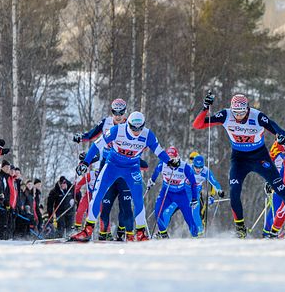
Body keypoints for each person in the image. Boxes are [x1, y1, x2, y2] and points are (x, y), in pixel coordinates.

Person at [192, 93, 285, 238]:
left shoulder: (256, 116)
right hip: (239, 159)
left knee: (281, 189)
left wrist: (282, 135)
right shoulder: (226, 115)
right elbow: (197, 125)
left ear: (247, 109)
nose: (239, 116)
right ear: (232, 110)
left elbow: (277, 128)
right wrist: (205, 107)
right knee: (234, 192)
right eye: (236, 113)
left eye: (242, 112)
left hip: (260, 157)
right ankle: (240, 228)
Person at [70, 111, 175, 242]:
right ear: (128, 124)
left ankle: (141, 232)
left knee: (138, 199)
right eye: (133, 128)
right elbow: (97, 145)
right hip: (112, 166)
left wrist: (169, 161)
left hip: (132, 169)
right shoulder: (117, 130)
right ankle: (88, 229)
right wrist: (86, 162)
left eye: (139, 128)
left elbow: (158, 150)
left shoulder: (147, 134)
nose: (136, 132)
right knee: (97, 194)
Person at [73, 98, 134, 240]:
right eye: (115, 112)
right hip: (106, 162)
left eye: (121, 112)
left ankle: (123, 232)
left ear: (125, 112)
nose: (118, 116)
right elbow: (91, 135)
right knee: (98, 195)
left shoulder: (131, 125)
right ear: (111, 112)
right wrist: (81, 137)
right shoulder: (105, 122)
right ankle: (93, 230)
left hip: (123, 164)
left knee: (124, 202)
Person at [148, 146, 199, 238]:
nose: (171, 161)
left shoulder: (184, 166)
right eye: (169, 159)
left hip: (181, 195)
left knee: (189, 218)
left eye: (173, 158)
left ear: (177, 157)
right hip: (167, 193)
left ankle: (195, 235)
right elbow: (156, 172)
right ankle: (163, 234)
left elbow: (193, 183)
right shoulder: (163, 164)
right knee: (158, 212)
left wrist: (194, 198)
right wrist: (152, 180)